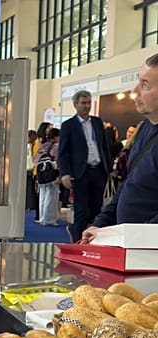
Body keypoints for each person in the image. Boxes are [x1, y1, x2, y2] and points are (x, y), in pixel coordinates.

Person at [83, 53, 158, 241]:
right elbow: (129, 185)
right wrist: (100, 223)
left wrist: (133, 239)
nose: (135, 91)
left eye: (145, 85)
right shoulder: (145, 128)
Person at [57, 90, 111, 242]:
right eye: (83, 103)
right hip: (81, 172)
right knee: (82, 210)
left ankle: (92, 240)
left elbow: (103, 146)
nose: (86, 106)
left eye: (88, 103)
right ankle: (77, 239)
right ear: (75, 105)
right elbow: (63, 152)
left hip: (98, 171)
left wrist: (109, 168)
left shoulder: (97, 122)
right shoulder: (69, 125)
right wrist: (65, 173)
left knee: (96, 209)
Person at [35, 128, 60, 226]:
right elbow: (56, 161)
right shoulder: (55, 147)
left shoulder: (42, 146)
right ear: (55, 137)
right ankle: (49, 219)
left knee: (42, 196)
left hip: (41, 174)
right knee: (51, 197)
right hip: (51, 175)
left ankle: (42, 217)